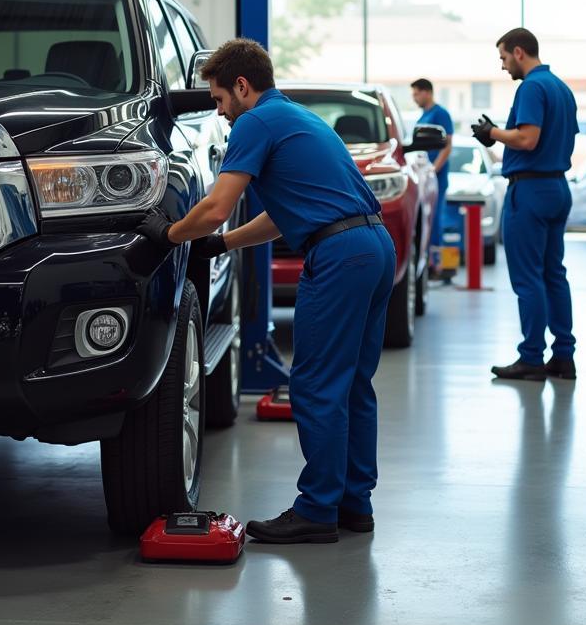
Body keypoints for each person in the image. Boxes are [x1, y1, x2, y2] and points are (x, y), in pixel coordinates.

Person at [136, 38, 396, 544]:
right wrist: (224, 244)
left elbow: (215, 204)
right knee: (353, 385)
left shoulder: (255, 122)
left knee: (316, 385)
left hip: (340, 256)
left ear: (241, 86)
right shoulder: (299, 119)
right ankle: (353, 505)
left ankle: (317, 510)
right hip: (373, 246)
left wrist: (165, 237)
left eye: (218, 100)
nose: (220, 113)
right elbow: (286, 213)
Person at [470, 28, 578, 381]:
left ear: (519, 52)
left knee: (528, 277)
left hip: (530, 191)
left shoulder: (531, 87)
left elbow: (528, 138)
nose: (503, 66)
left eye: (503, 57)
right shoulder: (561, 88)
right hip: (557, 188)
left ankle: (531, 357)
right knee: (553, 273)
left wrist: (492, 133)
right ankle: (563, 355)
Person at [410, 78, 453, 277]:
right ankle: (426, 261)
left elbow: (447, 145)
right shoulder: (424, 116)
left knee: (435, 219)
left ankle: (438, 266)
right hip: (424, 175)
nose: (414, 98)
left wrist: (434, 170)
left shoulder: (440, 114)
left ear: (427, 92)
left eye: (416, 93)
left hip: (435, 177)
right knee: (425, 220)